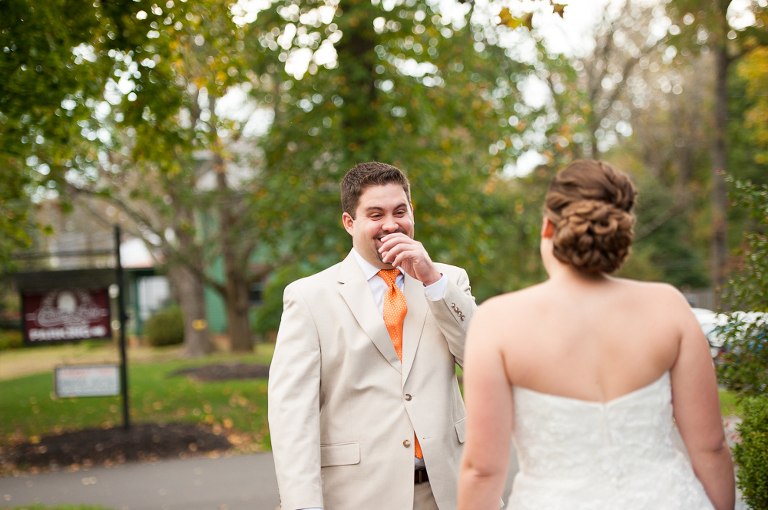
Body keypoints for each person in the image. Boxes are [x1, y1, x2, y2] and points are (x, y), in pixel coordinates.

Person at [458, 160, 735, 510]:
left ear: (548, 226)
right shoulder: (669, 306)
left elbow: (482, 472)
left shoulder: (498, 321)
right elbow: (710, 447)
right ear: (620, 232)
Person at [268, 161, 477, 510]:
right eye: (375, 214)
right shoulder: (309, 297)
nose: (391, 224)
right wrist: (302, 504)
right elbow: (292, 413)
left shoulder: (448, 281)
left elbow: (480, 358)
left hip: (449, 493)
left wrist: (432, 281)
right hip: (359, 496)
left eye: (400, 211)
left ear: (412, 213)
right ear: (350, 223)